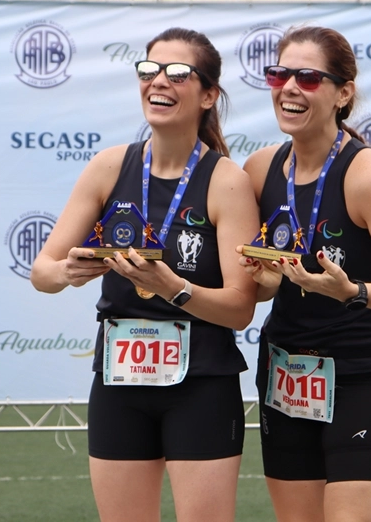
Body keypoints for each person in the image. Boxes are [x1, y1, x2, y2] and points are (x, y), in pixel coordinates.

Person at [30, 27, 259, 522]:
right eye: (149, 69)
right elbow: (42, 272)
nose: (159, 81)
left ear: (208, 95)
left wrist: (172, 288)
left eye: (178, 73)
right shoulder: (109, 167)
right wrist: (70, 270)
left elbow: (241, 308)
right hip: (119, 382)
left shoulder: (227, 181)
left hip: (201, 384)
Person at [237, 26, 371, 522]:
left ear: (343, 93)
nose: (289, 87)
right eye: (279, 74)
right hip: (285, 373)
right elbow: (258, 288)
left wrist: (353, 291)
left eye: (308, 78)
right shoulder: (259, 170)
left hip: (359, 375)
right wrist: (264, 282)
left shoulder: (365, 174)